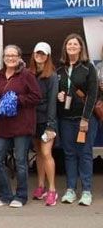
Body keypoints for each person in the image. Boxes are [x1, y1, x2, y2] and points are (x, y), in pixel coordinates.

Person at [0, 45, 41, 208]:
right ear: (3, 57)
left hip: (22, 125)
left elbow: (36, 97)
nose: (10, 58)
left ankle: (21, 195)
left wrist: (16, 100)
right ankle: (4, 194)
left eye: (13, 55)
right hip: (3, 125)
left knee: (20, 161)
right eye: (7, 55)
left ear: (19, 57)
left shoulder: (27, 75)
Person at [56, 33, 98, 206]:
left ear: (81, 48)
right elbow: (58, 92)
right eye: (69, 44)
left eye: (75, 44)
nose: (72, 46)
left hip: (84, 119)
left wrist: (85, 119)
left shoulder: (88, 68)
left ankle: (87, 191)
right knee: (69, 154)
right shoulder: (60, 70)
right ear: (65, 48)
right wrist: (59, 96)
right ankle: (71, 189)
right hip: (66, 119)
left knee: (85, 154)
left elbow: (93, 95)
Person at [29, 42, 59, 206]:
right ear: (34, 55)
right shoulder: (29, 73)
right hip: (33, 120)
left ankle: (52, 190)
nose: (39, 56)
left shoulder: (52, 76)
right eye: (37, 53)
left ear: (48, 56)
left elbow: (53, 103)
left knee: (47, 153)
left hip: (47, 120)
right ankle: (41, 186)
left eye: (43, 54)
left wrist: (50, 125)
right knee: (39, 153)